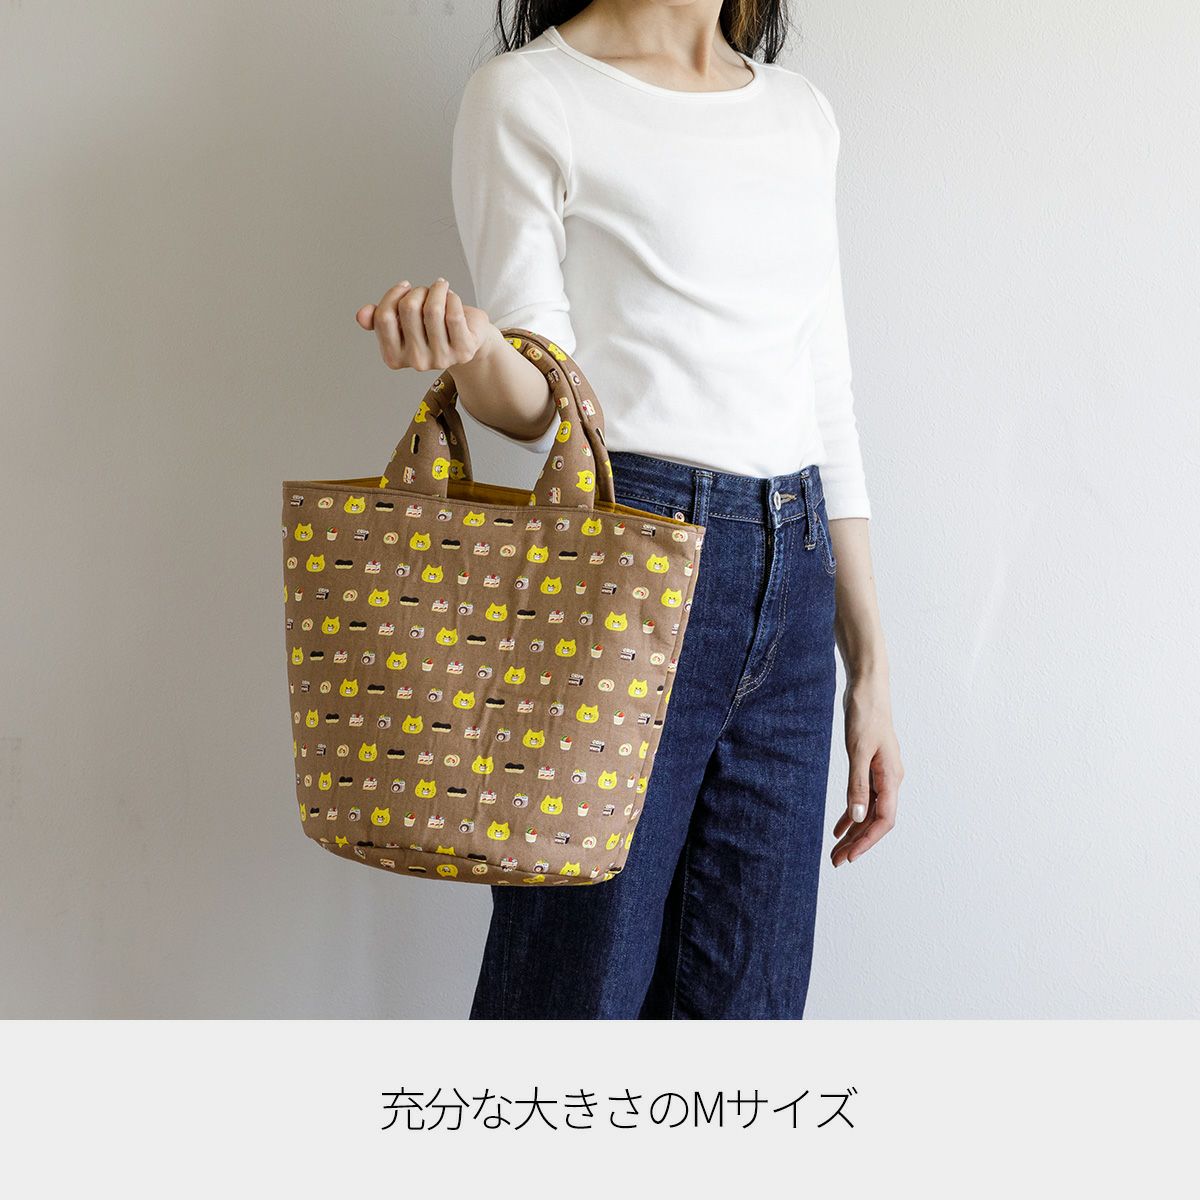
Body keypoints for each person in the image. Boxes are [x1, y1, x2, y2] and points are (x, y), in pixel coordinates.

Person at [355, 0, 904, 1019]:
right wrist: (472, 351)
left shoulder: (799, 113)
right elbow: (544, 404)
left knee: (746, 1016)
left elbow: (825, 395)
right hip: (622, 563)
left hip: (796, 585)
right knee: (573, 998)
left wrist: (867, 666)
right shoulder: (530, 96)